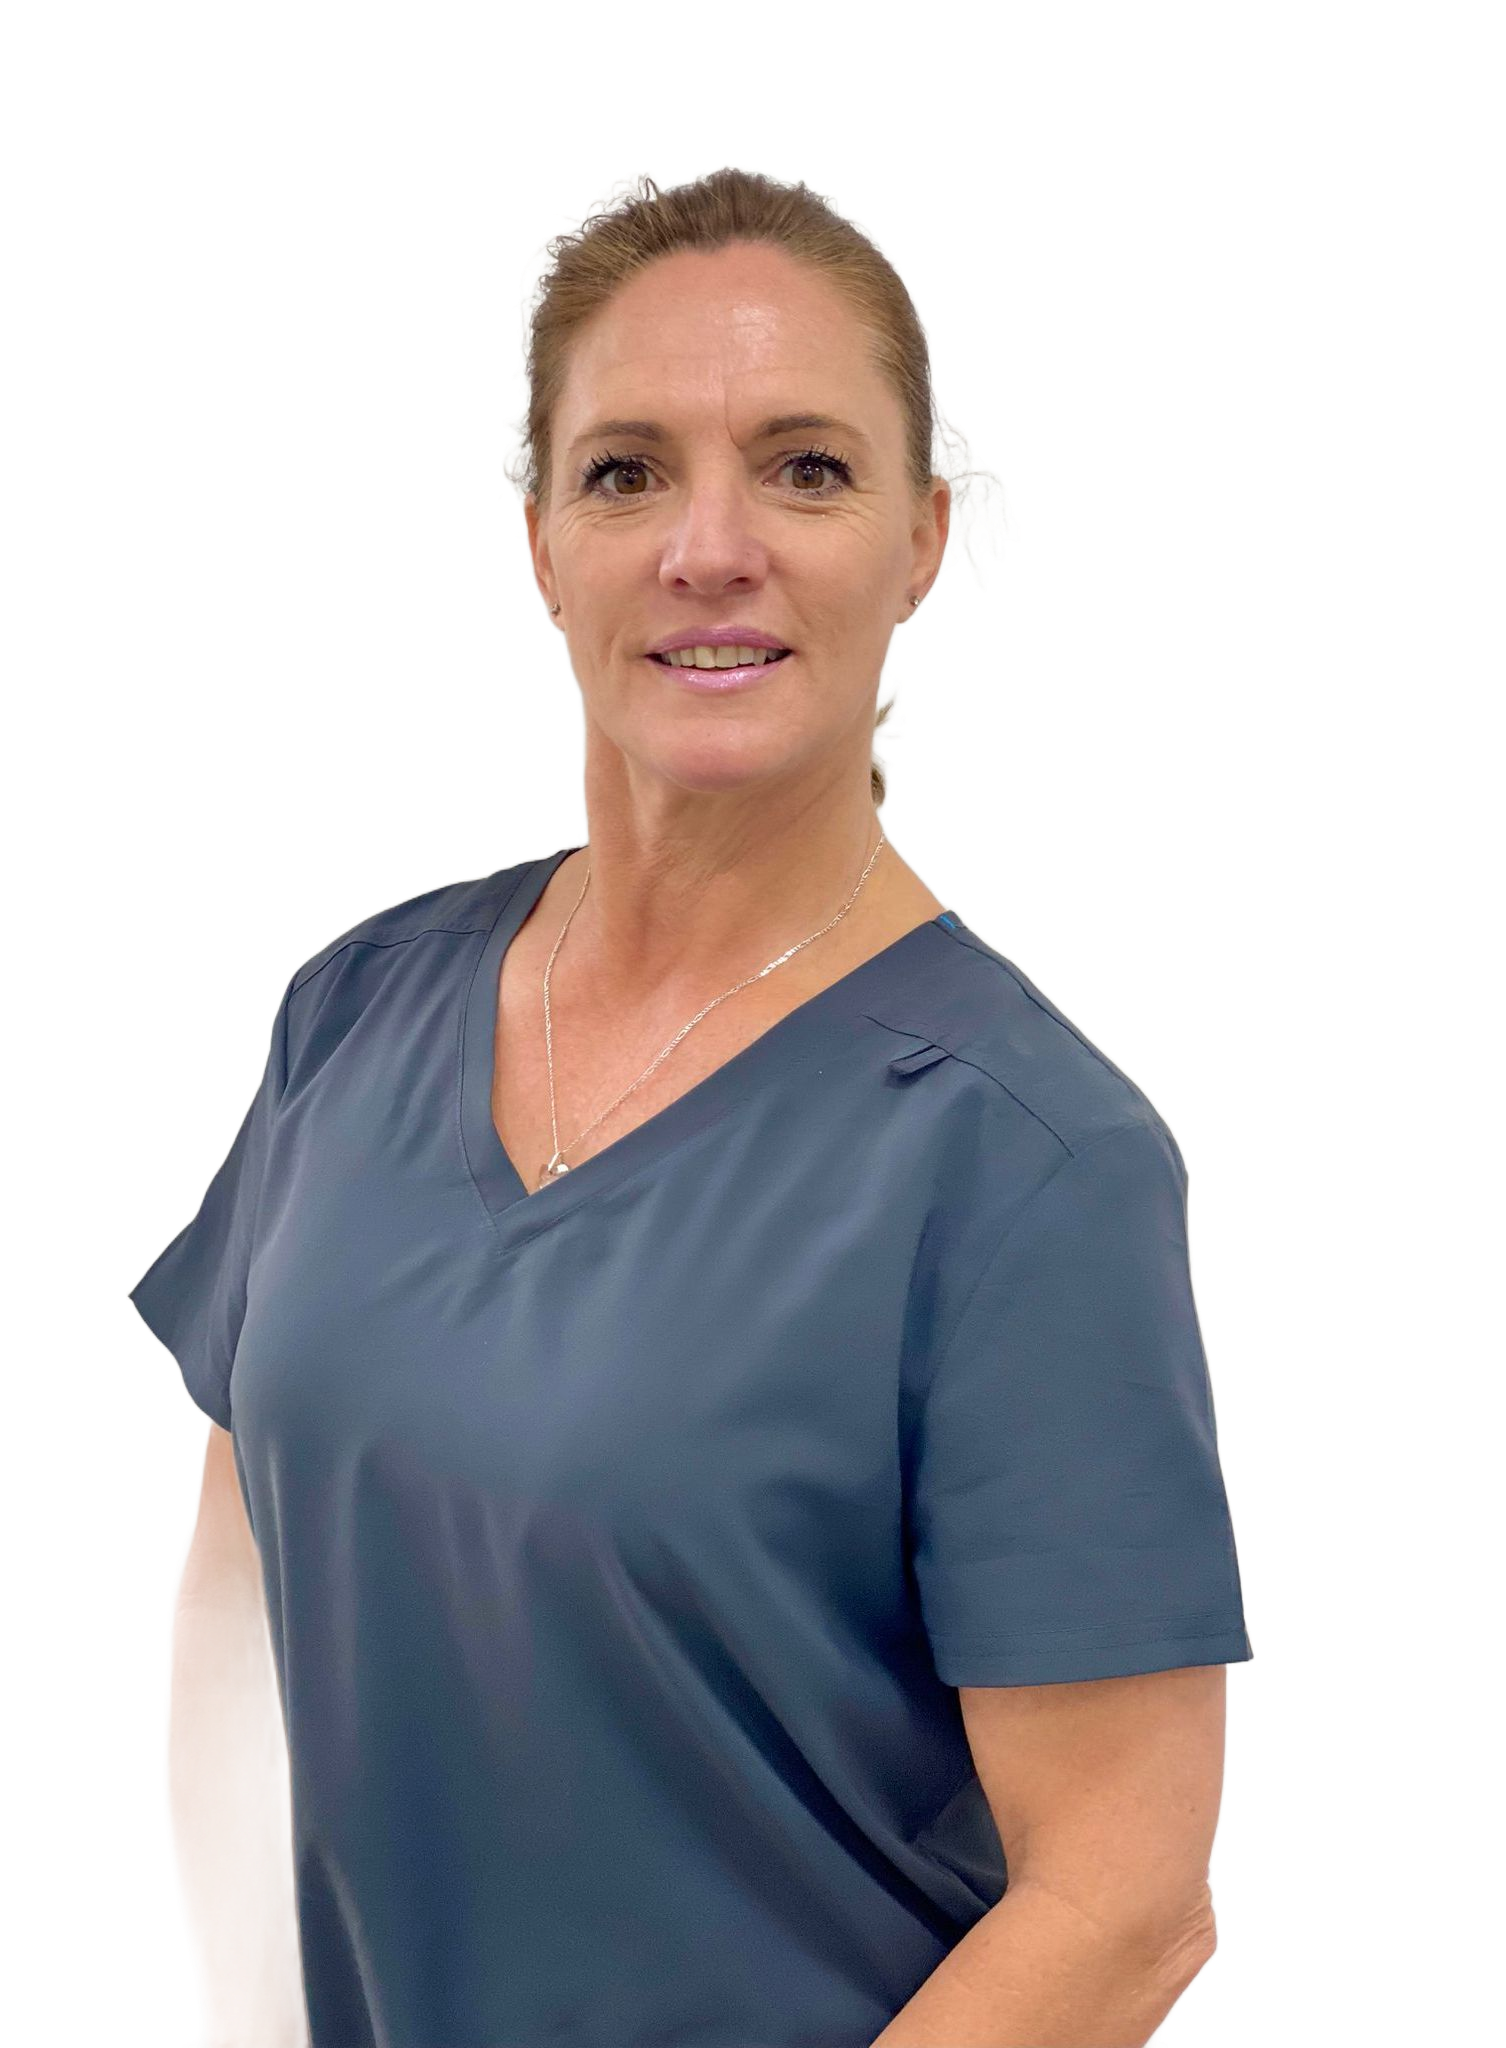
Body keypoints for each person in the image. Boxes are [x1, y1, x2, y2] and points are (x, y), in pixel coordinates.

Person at [131, 164, 1251, 2048]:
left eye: (803, 469)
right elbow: (246, 1606)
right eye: (626, 471)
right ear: (538, 542)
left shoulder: (1024, 1156)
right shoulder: (360, 1009)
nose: (707, 549)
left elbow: (1123, 1900)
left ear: (918, 536)